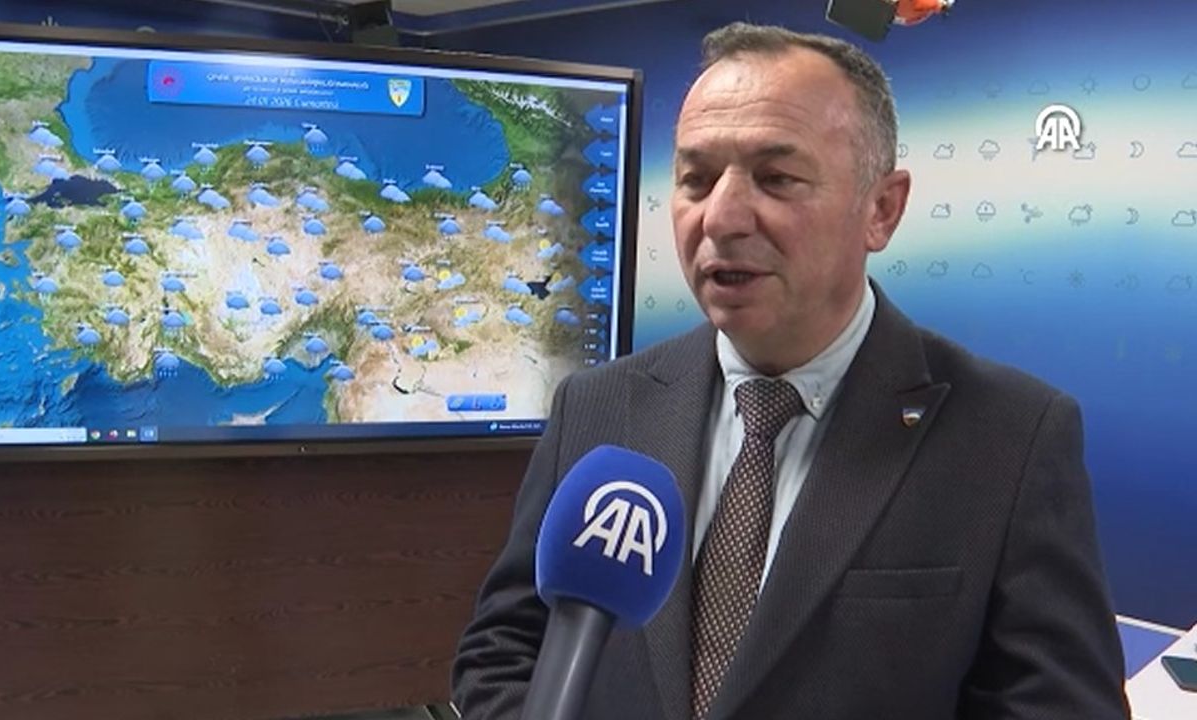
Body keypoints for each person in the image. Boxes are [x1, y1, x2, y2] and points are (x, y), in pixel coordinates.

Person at [451, 22, 1128, 720]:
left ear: (882, 209)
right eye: (695, 179)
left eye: (776, 178)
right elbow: (505, 650)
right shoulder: (597, 408)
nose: (721, 218)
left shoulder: (1010, 439)